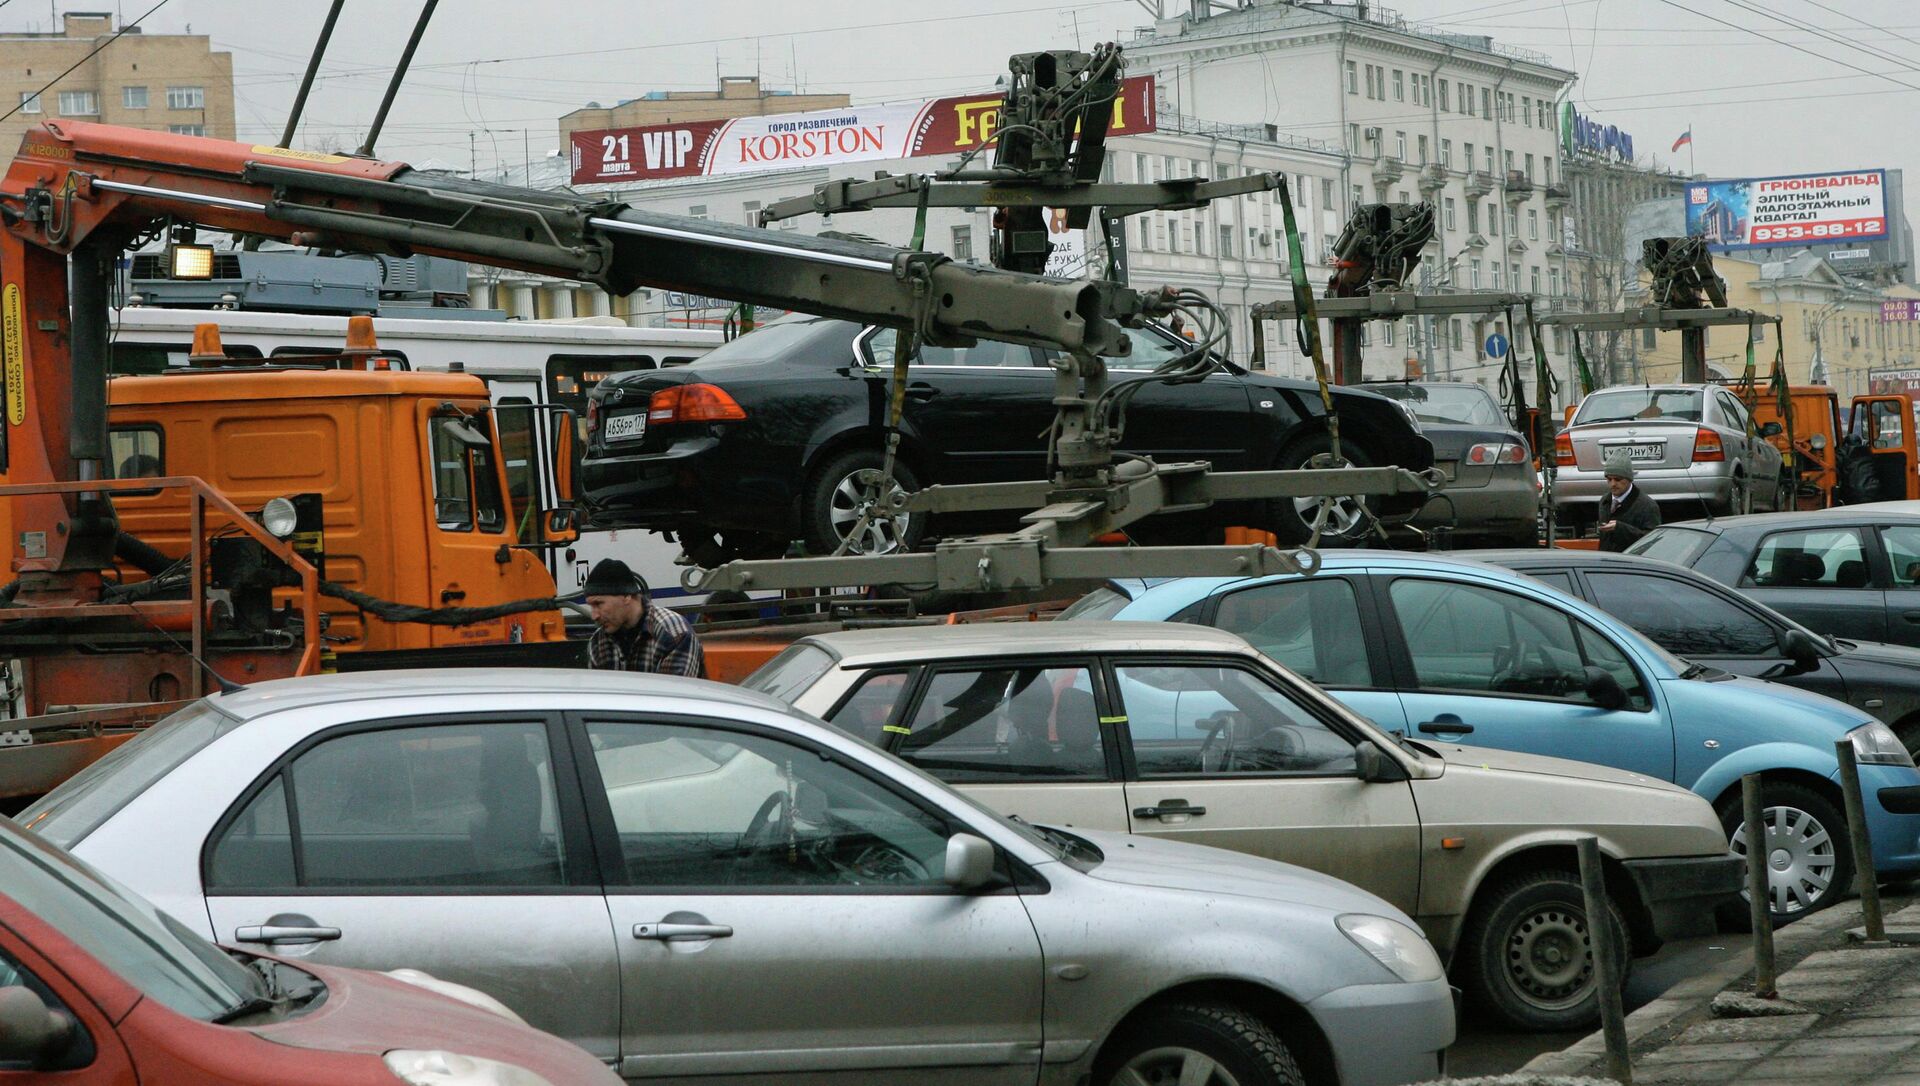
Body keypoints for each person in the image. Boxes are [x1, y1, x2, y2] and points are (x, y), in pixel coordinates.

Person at [582, 558, 704, 677]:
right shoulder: (598, 641)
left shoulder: (674, 634)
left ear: (626, 596)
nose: (594, 615)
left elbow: (675, 695)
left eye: (598, 604)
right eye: (591, 606)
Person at [1596, 457, 1660, 552]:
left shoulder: (1647, 506)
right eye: (1609, 479)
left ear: (1629, 479)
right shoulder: (1605, 501)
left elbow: (1652, 540)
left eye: (1618, 479)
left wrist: (1620, 529)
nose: (1613, 484)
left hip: (1632, 563)